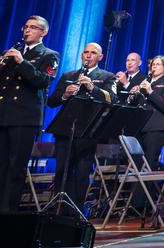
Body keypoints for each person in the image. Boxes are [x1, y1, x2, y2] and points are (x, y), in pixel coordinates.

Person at [0, 16, 60, 212]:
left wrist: (21, 62)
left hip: (24, 118)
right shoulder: (11, 53)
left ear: (43, 32)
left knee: (16, 167)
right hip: (0, 115)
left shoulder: (49, 55)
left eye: (33, 27)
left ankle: (8, 211)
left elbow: (43, 81)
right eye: (26, 27)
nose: (27, 31)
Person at [47, 42, 115, 209]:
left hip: (88, 132)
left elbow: (112, 100)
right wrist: (65, 94)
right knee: (62, 172)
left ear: (100, 57)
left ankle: (76, 211)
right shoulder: (69, 74)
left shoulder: (107, 76)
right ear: (81, 55)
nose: (88, 55)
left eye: (93, 53)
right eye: (86, 52)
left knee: (82, 174)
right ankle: (59, 210)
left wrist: (92, 87)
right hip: (66, 130)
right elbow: (52, 101)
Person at [130, 55, 164, 171]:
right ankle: (135, 189)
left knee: (150, 162)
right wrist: (134, 94)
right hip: (140, 126)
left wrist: (150, 91)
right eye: (153, 64)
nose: (154, 66)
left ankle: (146, 189)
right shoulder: (144, 82)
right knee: (135, 163)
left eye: (158, 64)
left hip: (155, 128)